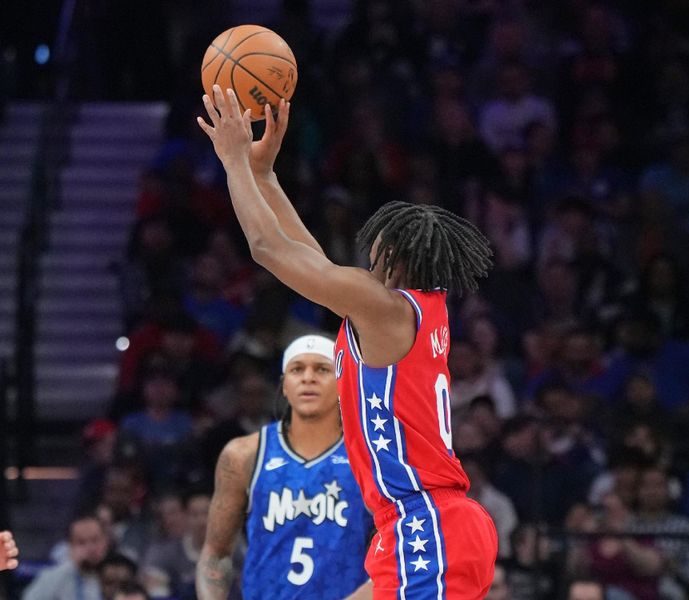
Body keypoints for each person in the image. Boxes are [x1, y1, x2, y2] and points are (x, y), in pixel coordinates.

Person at [197, 86, 497, 598]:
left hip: (425, 523)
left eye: (375, 241)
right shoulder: (402, 310)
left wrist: (233, 162)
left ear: (394, 256)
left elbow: (269, 248)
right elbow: (312, 259)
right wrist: (265, 175)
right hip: (412, 526)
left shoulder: (386, 306)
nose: (365, 247)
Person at [196, 335, 373, 599]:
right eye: (297, 369)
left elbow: (396, 556)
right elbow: (215, 554)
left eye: (322, 369)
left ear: (342, 383)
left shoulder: (369, 457)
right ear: (284, 386)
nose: (308, 378)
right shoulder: (244, 455)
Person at [23, 513, 110, 600]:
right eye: (81, 542)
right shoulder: (55, 577)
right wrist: (73, 565)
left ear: (105, 541)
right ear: (70, 546)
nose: (90, 548)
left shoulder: (119, 571)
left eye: (95, 540)